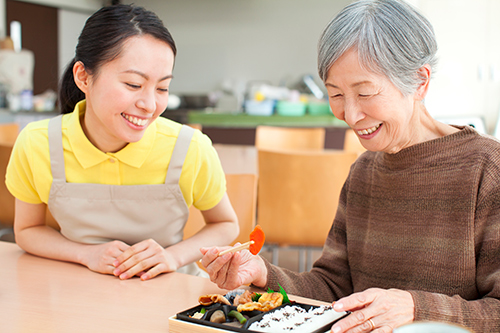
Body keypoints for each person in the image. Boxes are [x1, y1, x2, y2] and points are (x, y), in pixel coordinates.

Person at [200, 0, 500, 332]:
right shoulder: (364, 170)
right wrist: (263, 273)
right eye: (336, 94)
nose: (351, 116)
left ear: (420, 82)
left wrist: (416, 308)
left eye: (366, 93)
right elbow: (334, 287)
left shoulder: (487, 169)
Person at [5, 4, 239, 281]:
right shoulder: (37, 143)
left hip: (169, 293)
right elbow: (27, 231)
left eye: (162, 87)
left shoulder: (190, 147)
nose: (150, 105)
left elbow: (226, 224)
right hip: (75, 287)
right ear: (83, 76)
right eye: (133, 84)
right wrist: (84, 253)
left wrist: (172, 256)